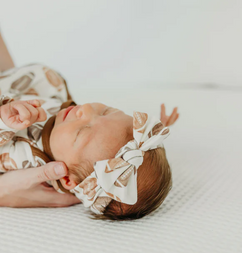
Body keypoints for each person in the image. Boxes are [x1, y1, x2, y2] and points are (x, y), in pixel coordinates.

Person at [0, 33, 179, 220]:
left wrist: (4, 121)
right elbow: (135, 146)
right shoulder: (67, 132)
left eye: (81, 131)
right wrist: (156, 129)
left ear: (67, 179)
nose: (84, 109)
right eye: (106, 112)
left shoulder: (27, 157)